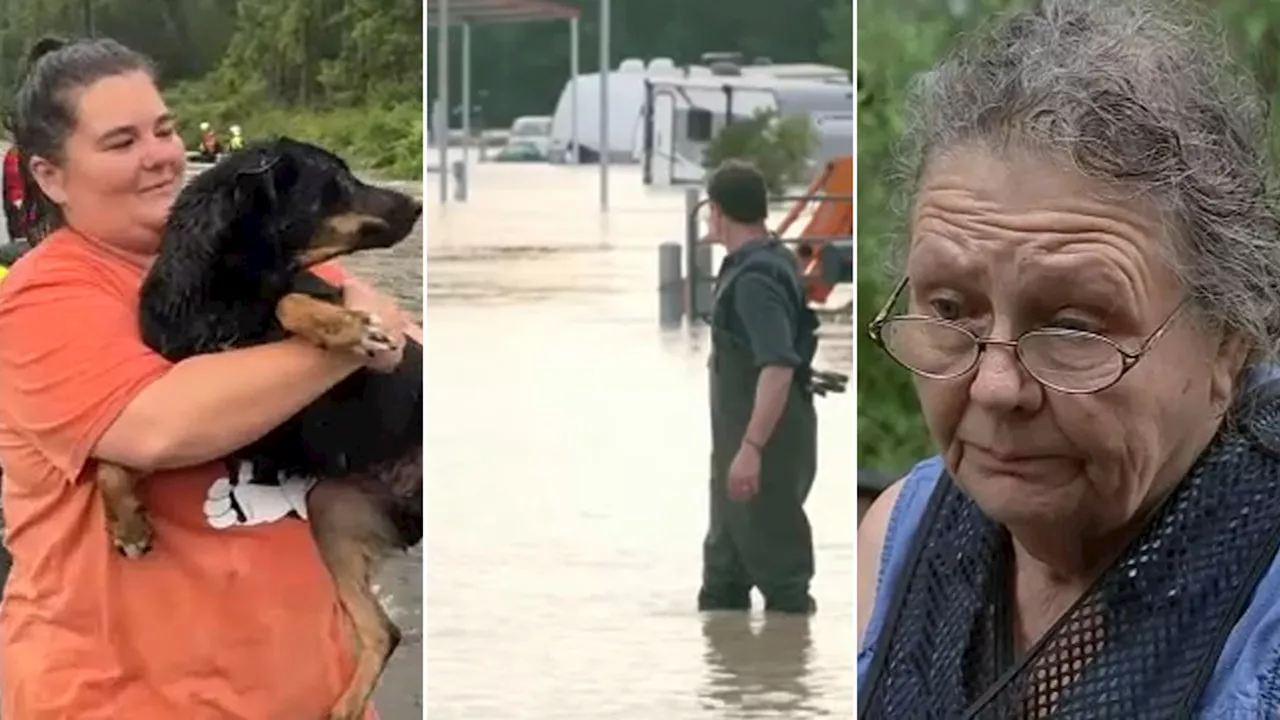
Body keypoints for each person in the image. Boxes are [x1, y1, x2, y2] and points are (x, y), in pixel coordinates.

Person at [857, 1, 1280, 716]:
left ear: (1231, 339)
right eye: (952, 310)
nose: (995, 388)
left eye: (1075, 327)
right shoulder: (897, 544)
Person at [0, 37, 421, 718]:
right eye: (120, 142)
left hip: (314, 696)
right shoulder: (43, 297)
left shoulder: (246, 261)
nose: (161, 155)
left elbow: (400, 334)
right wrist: (347, 341)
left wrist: (364, 328)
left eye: (164, 129)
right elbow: (162, 427)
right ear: (49, 177)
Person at [698, 160, 820, 615]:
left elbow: (778, 366)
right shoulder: (770, 260)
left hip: (764, 454)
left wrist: (751, 447)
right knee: (722, 588)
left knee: (783, 587)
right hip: (741, 455)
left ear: (716, 212)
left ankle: (789, 680)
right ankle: (731, 683)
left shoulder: (753, 281)